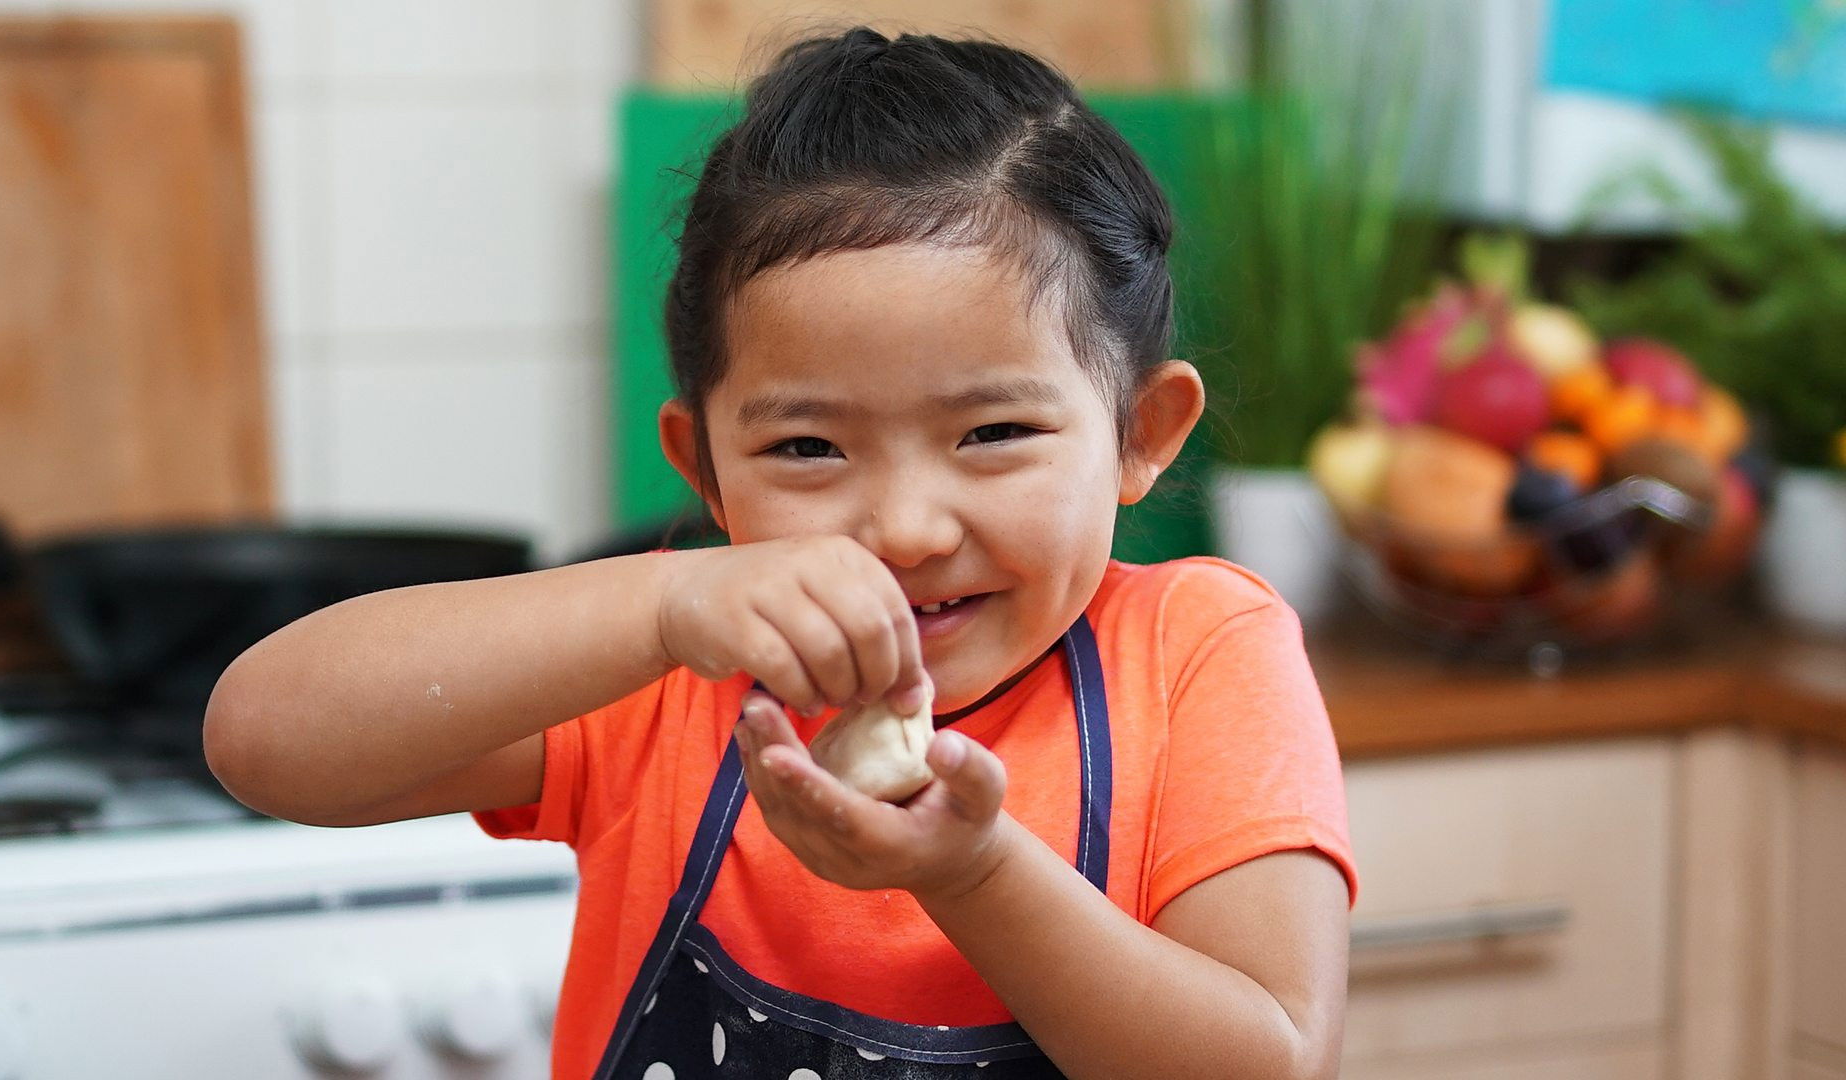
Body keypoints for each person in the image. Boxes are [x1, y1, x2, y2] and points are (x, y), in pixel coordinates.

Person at [205, 26, 1357, 1080]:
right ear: (703, 468)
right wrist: (663, 607)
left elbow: (1266, 1064)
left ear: (1140, 432)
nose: (906, 530)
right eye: (809, 447)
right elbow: (261, 743)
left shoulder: (1199, 656)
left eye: (994, 433)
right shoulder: (663, 677)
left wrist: (970, 872)